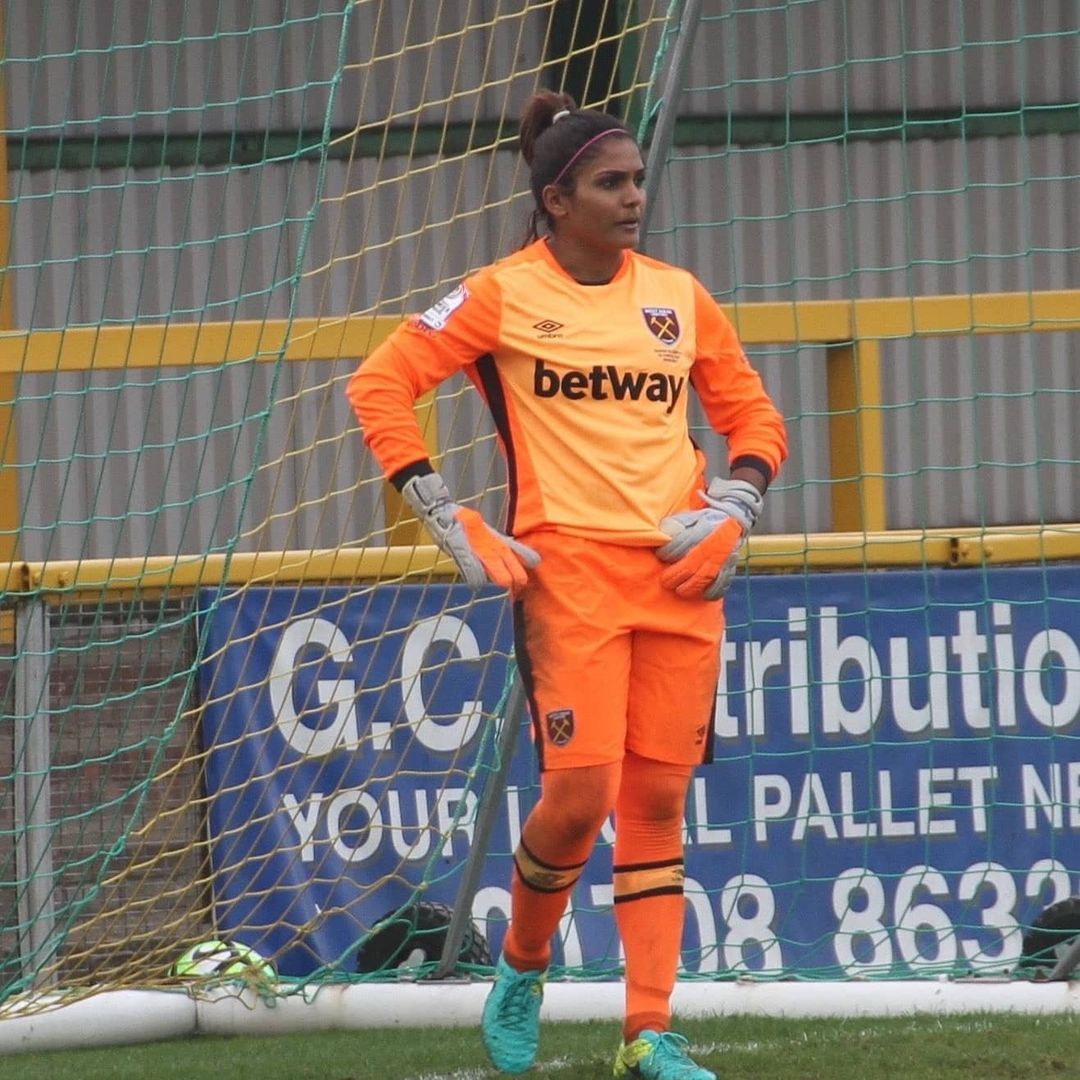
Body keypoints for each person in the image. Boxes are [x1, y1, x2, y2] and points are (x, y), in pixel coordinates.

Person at [347, 90, 787, 1080]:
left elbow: (755, 421)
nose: (635, 197)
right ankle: (523, 967)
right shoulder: (501, 294)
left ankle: (648, 1032)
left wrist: (734, 510)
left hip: (679, 579)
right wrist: (443, 511)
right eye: (612, 183)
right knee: (577, 796)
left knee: (658, 802)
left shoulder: (679, 296)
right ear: (557, 199)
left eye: (636, 181)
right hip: (568, 579)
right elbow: (379, 384)